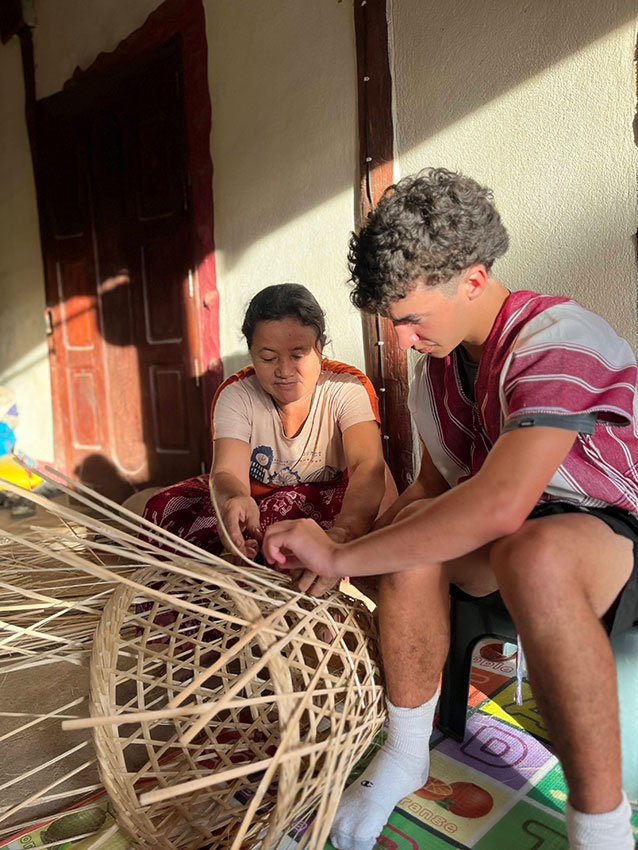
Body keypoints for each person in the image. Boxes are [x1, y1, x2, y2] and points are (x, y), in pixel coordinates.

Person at [261, 169, 638, 849]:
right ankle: (405, 755)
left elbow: (501, 505)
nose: (403, 338)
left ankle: (601, 831)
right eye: (394, 321)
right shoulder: (437, 368)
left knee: (535, 557)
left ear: (473, 279)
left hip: (603, 527)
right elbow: (431, 490)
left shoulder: (560, 338)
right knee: (414, 534)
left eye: (412, 319)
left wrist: (344, 555)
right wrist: (351, 551)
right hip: (507, 533)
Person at [143, 282, 390, 596]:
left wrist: (342, 537)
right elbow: (227, 472)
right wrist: (234, 500)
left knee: (296, 514)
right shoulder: (236, 395)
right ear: (251, 353)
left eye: (298, 355)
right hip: (255, 499)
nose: (284, 371)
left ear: (320, 347)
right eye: (268, 358)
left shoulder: (347, 388)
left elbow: (367, 466)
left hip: (329, 503)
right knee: (163, 508)